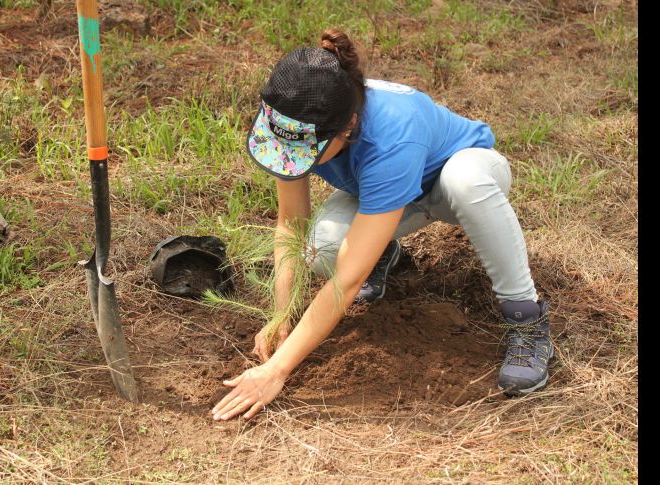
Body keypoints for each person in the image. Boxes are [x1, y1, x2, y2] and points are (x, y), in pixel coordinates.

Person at [210, 28, 553, 422]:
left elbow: (346, 282)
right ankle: (380, 250)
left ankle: (528, 319)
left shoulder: (390, 139)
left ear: (348, 128)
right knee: (323, 247)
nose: (291, 158)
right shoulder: (300, 115)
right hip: (384, 194)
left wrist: (276, 370)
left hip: (458, 178)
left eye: (307, 152)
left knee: (466, 182)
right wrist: (281, 312)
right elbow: (291, 224)